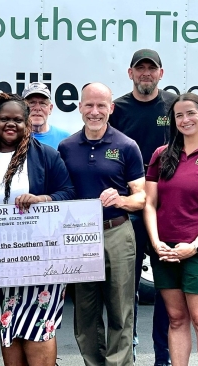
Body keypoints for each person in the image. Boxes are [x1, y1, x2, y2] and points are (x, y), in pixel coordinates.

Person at [0, 92, 75, 366]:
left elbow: (68, 193)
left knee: (37, 327)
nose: (11, 124)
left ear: (27, 123)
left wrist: (44, 199)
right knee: (9, 324)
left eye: (18, 120)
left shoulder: (46, 156)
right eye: (4, 119)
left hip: (41, 262)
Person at [58, 83, 146, 366]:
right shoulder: (67, 147)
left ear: (111, 108)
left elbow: (142, 197)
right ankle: (93, 363)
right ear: (80, 107)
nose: (94, 112)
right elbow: (62, 191)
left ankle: (119, 363)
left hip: (116, 232)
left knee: (120, 308)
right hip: (80, 236)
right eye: (89, 105)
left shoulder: (126, 145)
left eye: (101, 106)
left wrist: (121, 199)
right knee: (85, 310)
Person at [144, 92, 198, 366]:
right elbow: (149, 204)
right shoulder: (161, 155)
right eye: (179, 115)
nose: (185, 119)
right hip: (166, 251)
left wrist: (194, 247)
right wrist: (157, 242)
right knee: (176, 319)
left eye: (191, 113)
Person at [109, 48, 177, 366]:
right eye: (140, 69)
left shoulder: (173, 107)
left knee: (166, 289)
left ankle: (162, 355)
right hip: (131, 211)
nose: (146, 73)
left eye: (152, 69)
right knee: (127, 288)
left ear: (161, 74)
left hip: (166, 213)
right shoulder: (118, 109)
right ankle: (130, 350)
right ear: (131, 73)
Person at [22, 82, 71, 148]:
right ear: (22, 108)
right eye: (32, 103)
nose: (37, 108)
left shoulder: (65, 139)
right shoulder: (15, 138)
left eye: (42, 103)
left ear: (50, 108)